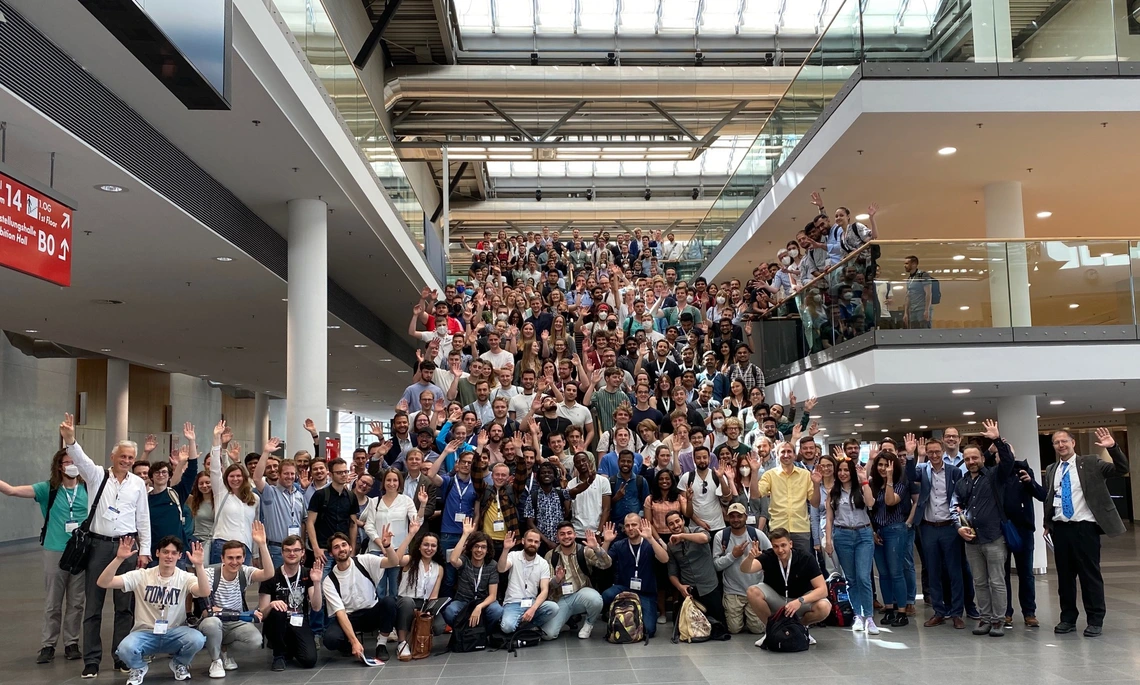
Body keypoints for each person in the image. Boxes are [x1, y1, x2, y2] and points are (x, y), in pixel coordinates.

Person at [61, 413, 152, 678]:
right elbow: (80, 458)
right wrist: (70, 439)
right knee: (94, 605)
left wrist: (144, 551)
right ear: (113, 457)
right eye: (122, 456)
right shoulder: (96, 475)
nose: (126, 461)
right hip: (99, 548)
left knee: (124, 607)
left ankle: (121, 657)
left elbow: (142, 519)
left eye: (130, 458)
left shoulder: (137, 484)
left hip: (127, 547)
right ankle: (91, 660)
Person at [0, 447, 89, 663]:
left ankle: (71, 643)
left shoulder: (89, 488)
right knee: (53, 601)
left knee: (76, 602)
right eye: (67, 462)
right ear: (60, 466)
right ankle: (48, 644)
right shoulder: (47, 489)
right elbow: (12, 490)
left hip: (80, 551)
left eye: (74, 461)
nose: (72, 465)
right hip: (55, 550)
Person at [1044, 427, 1128, 637]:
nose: (1061, 445)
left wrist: (1113, 448)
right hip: (1061, 529)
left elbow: (1121, 469)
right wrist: (1048, 523)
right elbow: (1051, 499)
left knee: (1090, 576)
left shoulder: (1090, 463)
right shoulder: (1052, 468)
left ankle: (1095, 620)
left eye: (1064, 441)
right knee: (1065, 578)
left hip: (1084, 528)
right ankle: (1068, 618)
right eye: (1056, 442)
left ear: (1073, 443)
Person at [101, 536, 209, 685]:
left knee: (197, 639)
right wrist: (118, 559)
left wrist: (199, 566)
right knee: (124, 648)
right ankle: (138, 667)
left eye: (173, 553)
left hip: (174, 632)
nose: (169, 556)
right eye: (165, 552)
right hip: (145, 632)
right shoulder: (141, 575)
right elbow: (103, 582)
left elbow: (204, 592)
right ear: (157, 553)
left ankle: (179, 663)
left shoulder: (185, 577)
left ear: (179, 556)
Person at [955, 420, 1015, 637]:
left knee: (997, 581)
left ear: (982, 459)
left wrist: (996, 440)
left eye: (975, 458)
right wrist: (959, 528)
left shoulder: (994, 476)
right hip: (972, 540)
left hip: (994, 537)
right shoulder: (961, 482)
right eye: (967, 459)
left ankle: (999, 620)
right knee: (979, 581)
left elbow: (1008, 461)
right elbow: (956, 507)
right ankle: (985, 618)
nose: (971, 461)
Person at [197, 523, 276, 678]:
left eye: (238, 557)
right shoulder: (210, 573)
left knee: (255, 640)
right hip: (214, 620)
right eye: (230, 558)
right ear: (222, 558)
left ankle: (225, 651)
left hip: (235, 622)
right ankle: (216, 660)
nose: (234, 562)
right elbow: (207, 612)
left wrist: (261, 544)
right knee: (211, 623)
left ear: (243, 558)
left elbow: (269, 573)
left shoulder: (244, 572)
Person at [321, 527, 405, 662]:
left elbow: (393, 562)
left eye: (344, 545)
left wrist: (388, 546)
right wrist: (354, 641)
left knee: (389, 602)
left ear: (349, 547)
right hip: (349, 617)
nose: (341, 549)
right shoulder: (329, 581)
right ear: (331, 553)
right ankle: (349, 644)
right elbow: (340, 613)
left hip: (371, 613)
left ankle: (381, 644)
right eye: (336, 547)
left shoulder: (364, 560)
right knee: (330, 640)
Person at [741, 528, 832, 648]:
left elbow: (823, 589)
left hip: (800, 601)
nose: (780, 550)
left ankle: (800, 628)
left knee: (824, 606)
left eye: (783, 545)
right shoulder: (769, 556)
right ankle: (772, 629)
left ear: (790, 544)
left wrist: (800, 600)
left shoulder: (805, 558)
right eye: (776, 546)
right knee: (752, 591)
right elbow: (745, 569)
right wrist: (750, 558)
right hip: (778, 599)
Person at [915, 437, 966, 629]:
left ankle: (956, 612)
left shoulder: (954, 471)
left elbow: (960, 496)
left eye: (937, 452)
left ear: (943, 452)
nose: (934, 455)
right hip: (928, 527)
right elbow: (910, 475)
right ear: (927, 453)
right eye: (931, 452)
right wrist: (917, 456)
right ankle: (938, 611)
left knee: (954, 571)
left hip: (949, 527)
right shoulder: (922, 470)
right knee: (933, 570)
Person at [823, 458, 877, 634]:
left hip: (863, 534)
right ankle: (857, 616)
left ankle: (869, 617)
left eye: (846, 470)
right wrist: (828, 541)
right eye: (840, 470)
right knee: (851, 579)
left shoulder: (861, 487)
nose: (843, 473)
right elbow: (829, 519)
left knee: (863, 577)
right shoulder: (833, 492)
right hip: (842, 535)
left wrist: (865, 480)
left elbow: (870, 503)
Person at [257, 535, 322, 671]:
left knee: (309, 660)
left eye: (296, 550)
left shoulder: (308, 573)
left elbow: (316, 607)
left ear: (303, 552)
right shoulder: (270, 576)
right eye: (287, 550)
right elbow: (262, 613)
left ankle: (288, 647)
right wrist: (271, 605)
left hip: (298, 621)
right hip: (276, 623)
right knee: (278, 610)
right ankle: (278, 655)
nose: (292, 553)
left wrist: (316, 583)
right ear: (282, 553)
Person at [1001, 441, 1046, 628]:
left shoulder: (1024, 471)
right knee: (1001, 574)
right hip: (1000, 529)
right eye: (1002, 454)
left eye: (1009, 453)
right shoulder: (995, 474)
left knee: (1026, 573)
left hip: (1024, 530)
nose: (1006, 457)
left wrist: (1031, 482)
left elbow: (1042, 495)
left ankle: (1029, 612)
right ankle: (1005, 612)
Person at [602, 514, 670, 637]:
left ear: (641, 525)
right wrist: (606, 542)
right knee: (606, 595)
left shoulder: (649, 544)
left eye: (634, 524)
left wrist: (651, 538)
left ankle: (634, 615)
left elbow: (665, 559)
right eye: (627, 525)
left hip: (646, 592)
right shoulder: (619, 545)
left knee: (649, 630)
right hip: (624, 588)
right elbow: (603, 564)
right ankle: (618, 613)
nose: (630, 528)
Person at [543, 521, 614, 638]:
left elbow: (606, 564)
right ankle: (566, 618)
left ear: (575, 535)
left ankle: (589, 624)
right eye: (562, 534)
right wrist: (557, 579)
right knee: (549, 635)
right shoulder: (551, 555)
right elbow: (549, 585)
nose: (566, 537)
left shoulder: (584, 551)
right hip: (561, 599)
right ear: (557, 537)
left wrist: (597, 548)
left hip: (581, 595)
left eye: (569, 533)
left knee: (596, 600)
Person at [868, 451, 912, 628]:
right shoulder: (873, 484)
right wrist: (873, 532)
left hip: (895, 530)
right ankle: (889, 609)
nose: (883, 468)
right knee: (883, 574)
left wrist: (890, 480)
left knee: (896, 572)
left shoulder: (901, 483)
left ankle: (902, 611)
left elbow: (889, 502)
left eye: (887, 465)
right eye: (880, 465)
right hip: (878, 531)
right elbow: (869, 509)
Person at [713, 503, 770, 635]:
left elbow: (772, 556)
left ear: (745, 517)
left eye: (739, 516)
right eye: (732, 516)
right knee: (734, 629)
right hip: (733, 590)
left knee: (757, 630)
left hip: (755, 589)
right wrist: (733, 555)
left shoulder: (757, 534)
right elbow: (716, 565)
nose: (736, 519)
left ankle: (750, 617)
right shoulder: (721, 536)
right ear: (727, 518)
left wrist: (760, 558)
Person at [208, 422, 258, 565]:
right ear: (226, 478)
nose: (235, 479)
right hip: (223, 545)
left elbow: (254, 526)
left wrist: (255, 553)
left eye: (238, 476)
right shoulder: (221, 492)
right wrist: (217, 439)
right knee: (219, 585)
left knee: (241, 586)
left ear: (244, 477)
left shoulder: (254, 498)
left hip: (245, 548)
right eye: (231, 476)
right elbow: (215, 468)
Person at [392, 523, 443, 660]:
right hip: (406, 601)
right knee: (408, 603)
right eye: (426, 545)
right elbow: (396, 559)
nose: (429, 548)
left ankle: (420, 639)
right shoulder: (410, 561)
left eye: (433, 545)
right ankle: (402, 642)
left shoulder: (438, 568)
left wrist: (428, 611)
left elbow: (434, 595)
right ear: (419, 546)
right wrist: (411, 534)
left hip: (424, 603)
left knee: (440, 626)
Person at [665, 511, 726, 626]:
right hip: (689, 589)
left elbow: (704, 538)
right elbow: (672, 573)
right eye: (671, 524)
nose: (676, 525)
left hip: (709, 586)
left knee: (719, 626)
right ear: (668, 527)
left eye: (677, 521)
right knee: (685, 626)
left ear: (683, 520)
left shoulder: (697, 530)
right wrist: (680, 587)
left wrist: (682, 536)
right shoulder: (670, 545)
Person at [252, 439, 305, 570]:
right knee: (273, 586)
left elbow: (303, 522)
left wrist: (301, 548)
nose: (290, 476)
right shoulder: (270, 492)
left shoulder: (299, 495)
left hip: (296, 550)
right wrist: (265, 452)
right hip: (276, 549)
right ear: (279, 474)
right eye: (286, 473)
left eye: (292, 474)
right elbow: (257, 478)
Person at [497, 529, 560, 637]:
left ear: (539, 544)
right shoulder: (513, 555)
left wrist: (533, 609)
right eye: (530, 540)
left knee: (553, 608)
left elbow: (544, 590)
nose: (532, 544)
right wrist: (505, 549)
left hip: (532, 603)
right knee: (507, 627)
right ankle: (522, 627)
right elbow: (501, 569)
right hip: (513, 603)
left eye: (536, 542)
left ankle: (523, 627)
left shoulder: (543, 563)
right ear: (523, 541)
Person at [443, 519, 503, 629]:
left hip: (483, 602)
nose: (479, 550)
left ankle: (484, 634)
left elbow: (493, 595)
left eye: (483, 547)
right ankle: (462, 632)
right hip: (463, 601)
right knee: (450, 611)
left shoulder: (492, 565)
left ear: (488, 550)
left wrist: (479, 607)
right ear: (471, 548)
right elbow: (453, 560)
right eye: (476, 546)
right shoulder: (465, 560)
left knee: (497, 610)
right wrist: (465, 535)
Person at [760, 441, 813, 555]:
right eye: (782, 452)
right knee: (779, 566)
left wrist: (817, 484)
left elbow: (815, 502)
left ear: (794, 455)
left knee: (802, 565)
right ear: (777, 455)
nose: (786, 455)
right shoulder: (769, 475)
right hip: (778, 528)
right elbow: (757, 495)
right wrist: (754, 472)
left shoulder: (806, 475)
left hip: (801, 529)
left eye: (789, 451)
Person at [902, 255, 932, 329]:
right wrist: (905, 312)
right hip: (913, 311)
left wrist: (927, 310)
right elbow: (908, 295)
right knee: (914, 333)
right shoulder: (909, 278)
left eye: (907, 263)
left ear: (914, 264)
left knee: (924, 332)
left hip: (922, 309)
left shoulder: (923, 275)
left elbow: (928, 293)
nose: (904, 266)